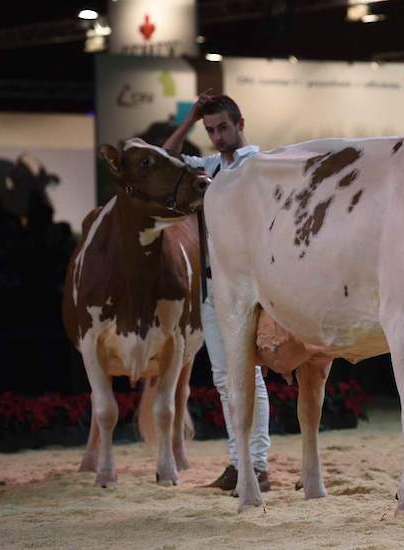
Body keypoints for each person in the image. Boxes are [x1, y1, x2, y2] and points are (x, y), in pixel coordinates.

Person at [162, 92, 271, 492]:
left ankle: (256, 464)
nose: (218, 136)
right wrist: (190, 118)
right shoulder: (211, 165)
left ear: (240, 123)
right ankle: (239, 462)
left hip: (247, 282)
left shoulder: (257, 165)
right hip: (212, 283)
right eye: (211, 130)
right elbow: (166, 157)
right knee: (226, 378)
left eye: (223, 127)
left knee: (248, 375)